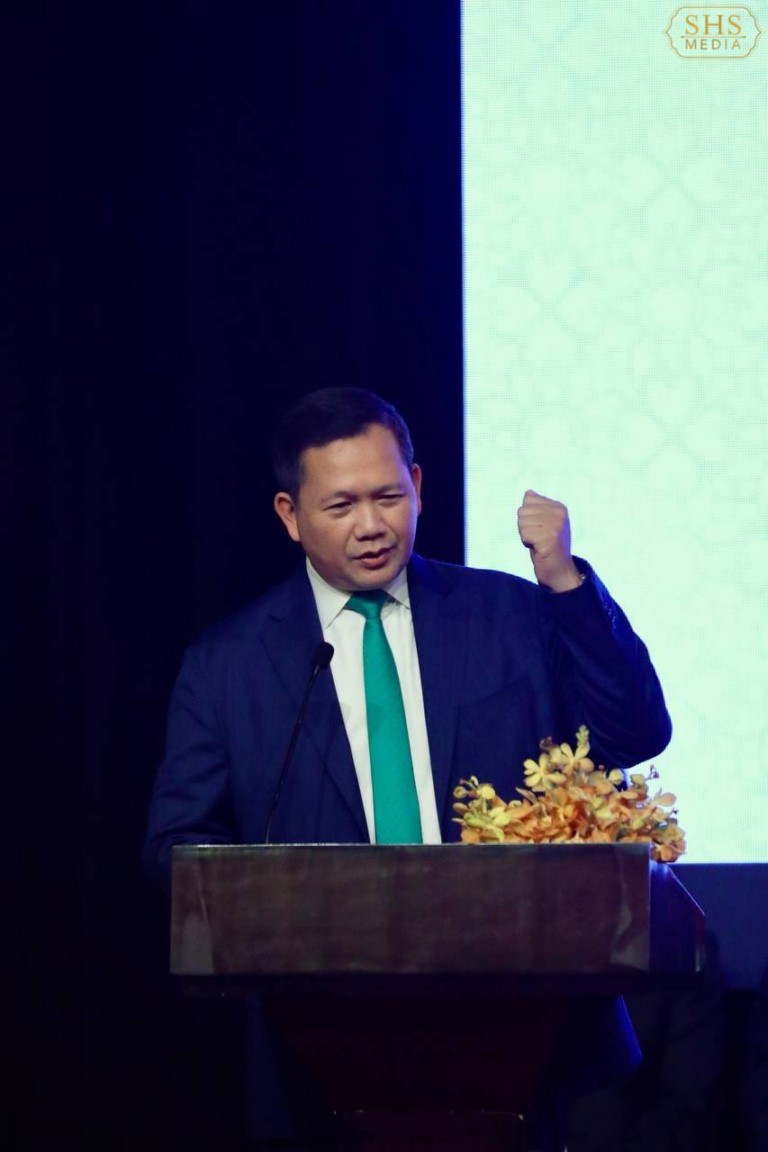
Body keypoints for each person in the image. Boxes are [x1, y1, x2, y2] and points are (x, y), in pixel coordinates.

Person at [144, 386, 672, 1146]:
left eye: (388, 496)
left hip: (520, 1029)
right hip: (320, 1044)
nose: (371, 526)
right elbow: (176, 846)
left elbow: (635, 732)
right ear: (290, 514)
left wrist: (564, 580)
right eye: (341, 506)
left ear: (418, 486)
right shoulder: (227, 667)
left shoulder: (509, 614)